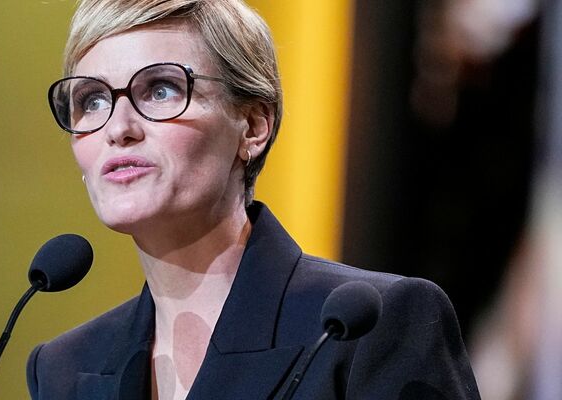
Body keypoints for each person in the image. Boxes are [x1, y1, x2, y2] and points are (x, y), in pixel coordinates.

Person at [28, 0, 481, 399]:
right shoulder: (64, 368)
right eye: (92, 100)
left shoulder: (369, 327)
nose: (118, 128)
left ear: (253, 126)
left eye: (161, 90)